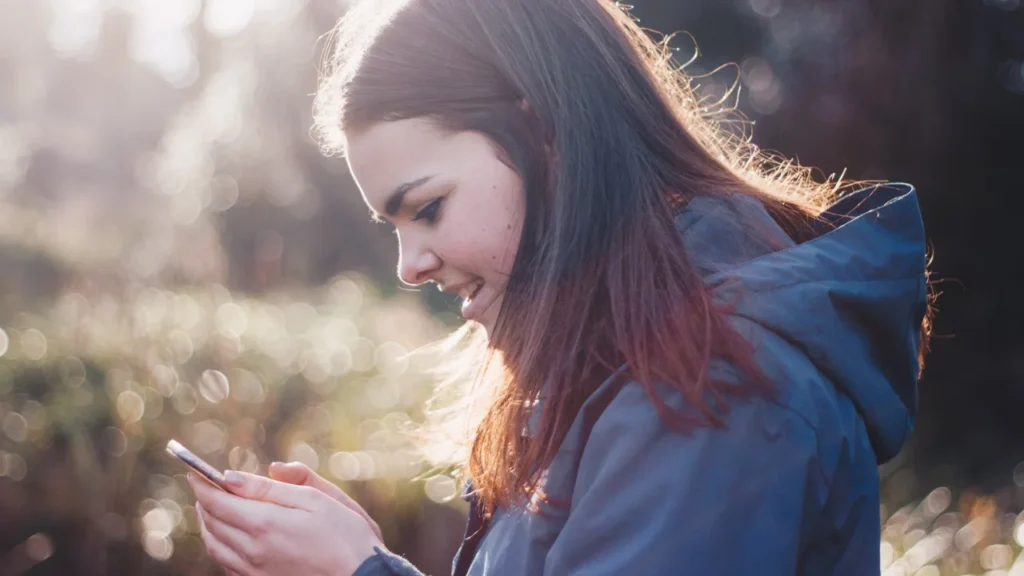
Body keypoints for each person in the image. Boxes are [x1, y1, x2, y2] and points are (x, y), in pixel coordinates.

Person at [186, 0, 933, 574]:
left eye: (428, 208)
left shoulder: (713, 389)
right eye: (394, 226)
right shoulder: (625, 368)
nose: (410, 264)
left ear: (544, 134)